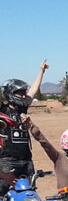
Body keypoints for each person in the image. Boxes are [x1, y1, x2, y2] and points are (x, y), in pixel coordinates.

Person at [0, 59, 49, 193]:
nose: (23, 95)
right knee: (4, 193)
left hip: (27, 160)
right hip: (7, 161)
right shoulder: (2, 111)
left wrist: (41, 71)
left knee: (29, 193)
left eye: (23, 92)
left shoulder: (22, 108)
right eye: (19, 92)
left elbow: (33, 91)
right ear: (9, 93)